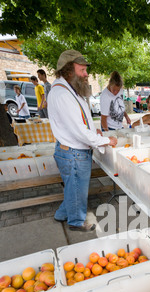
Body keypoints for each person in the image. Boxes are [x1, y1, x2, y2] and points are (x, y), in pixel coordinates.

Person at [47, 49, 117, 232]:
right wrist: (105, 141)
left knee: (73, 188)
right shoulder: (62, 93)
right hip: (73, 152)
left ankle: (62, 214)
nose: (86, 74)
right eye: (82, 70)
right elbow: (78, 131)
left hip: (71, 151)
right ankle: (76, 222)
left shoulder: (70, 89)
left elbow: (81, 120)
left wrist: (94, 130)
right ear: (68, 70)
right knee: (77, 189)